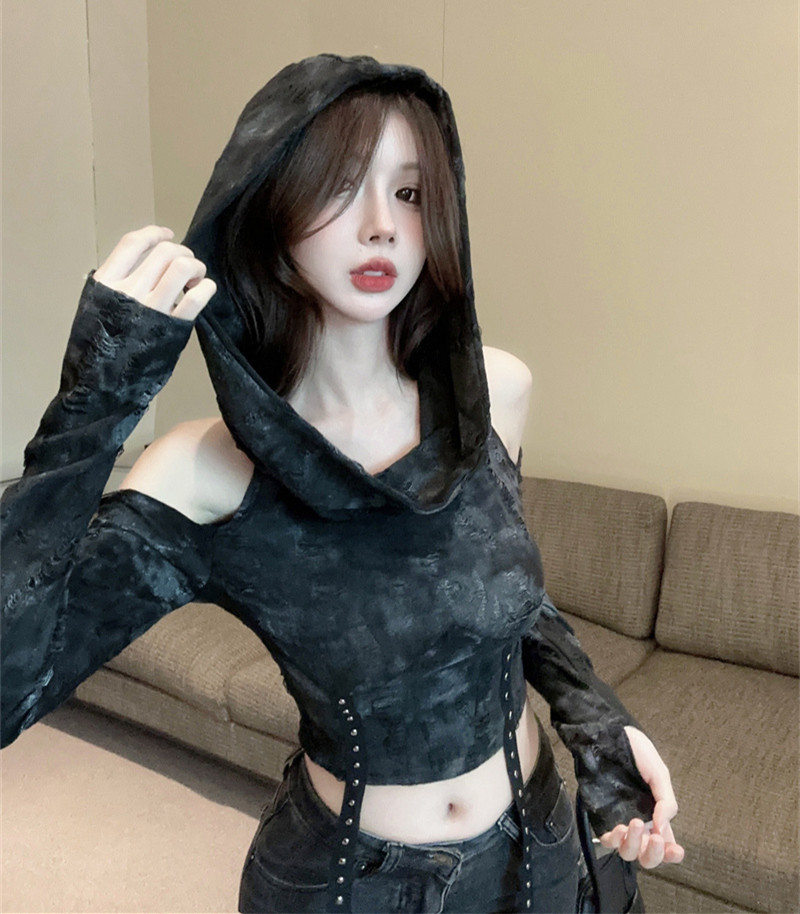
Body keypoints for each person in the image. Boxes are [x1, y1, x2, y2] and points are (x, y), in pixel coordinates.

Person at [1, 54, 683, 913]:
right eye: (341, 187)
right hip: (354, 886)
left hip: (538, 848)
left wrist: (598, 721)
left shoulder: (491, 395)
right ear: (273, 210)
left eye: (409, 192)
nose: (382, 227)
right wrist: (94, 403)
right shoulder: (211, 471)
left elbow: (499, 591)